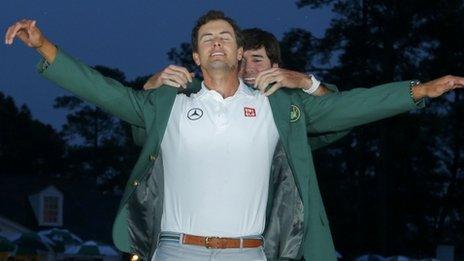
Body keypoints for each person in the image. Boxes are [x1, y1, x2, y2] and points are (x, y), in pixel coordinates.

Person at [5, 11, 463, 261]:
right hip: (173, 251)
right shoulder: (168, 104)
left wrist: (419, 90)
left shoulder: (276, 105)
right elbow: (98, 89)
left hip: (248, 254)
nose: (217, 41)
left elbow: (348, 106)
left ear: (240, 52)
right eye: (208, 37)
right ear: (196, 55)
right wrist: (44, 46)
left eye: (226, 35)